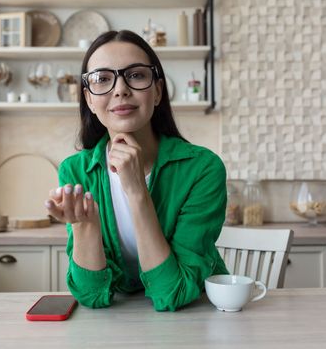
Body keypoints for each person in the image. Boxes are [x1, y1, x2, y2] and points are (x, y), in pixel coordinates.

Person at [45, 30, 228, 312]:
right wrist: (85, 226)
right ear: (90, 100)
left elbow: (174, 292)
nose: (120, 89)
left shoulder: (203, 169)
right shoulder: (76, 171)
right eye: (102, 79)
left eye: (136, 75)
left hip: (197, 316)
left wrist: (136, 191)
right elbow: (91, 295)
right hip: (117, 323)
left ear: (157, 91)